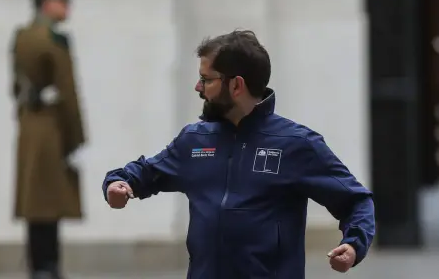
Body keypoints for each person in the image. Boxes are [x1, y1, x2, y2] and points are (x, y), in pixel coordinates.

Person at [102, 30, 375, 279]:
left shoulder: (296, 144)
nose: (198, 88)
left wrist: (353, 244)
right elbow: (144, 173)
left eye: (206, 80)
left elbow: (356, 201)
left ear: (236, 85)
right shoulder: (195, 140)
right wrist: (119, 184)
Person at [10, 0, 86, 278]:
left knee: (36, 201)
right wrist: (76, 135)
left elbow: (16, 88)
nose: (67, 5)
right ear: (46, 2)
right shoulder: (55, 40)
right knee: (49, 202)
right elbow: (68, 92)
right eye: (61, 0)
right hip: (52, 127)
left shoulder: (21, 36)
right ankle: (48, 266)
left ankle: (38, 264)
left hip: (30, 124)